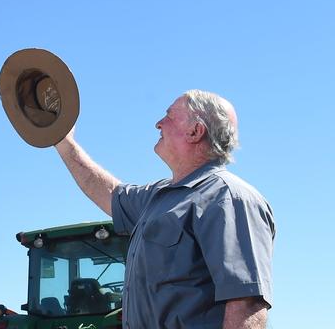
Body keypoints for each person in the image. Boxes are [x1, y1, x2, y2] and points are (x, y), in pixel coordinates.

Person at [54, 90, 274, 329]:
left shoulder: (228, 199)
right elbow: (107, 192)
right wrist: (64, 142)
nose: (158, 123)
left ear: (195, 131)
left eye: (169, 116)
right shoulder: (156, 198)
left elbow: (245, 305)